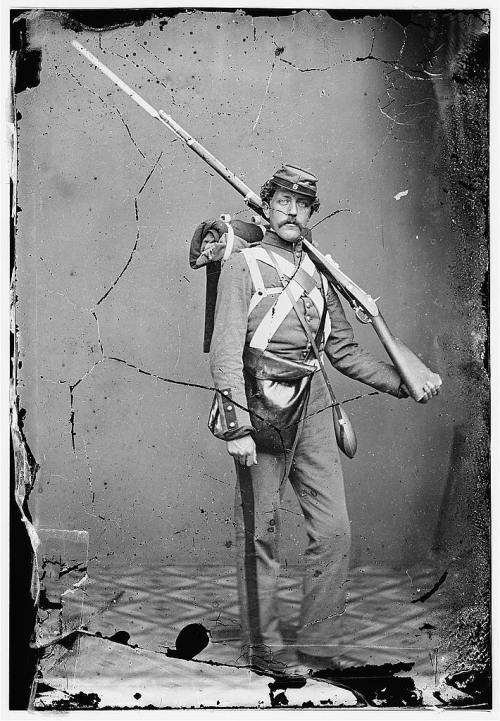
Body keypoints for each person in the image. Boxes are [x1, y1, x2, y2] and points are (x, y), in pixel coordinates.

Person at [205, 164, 441, 676]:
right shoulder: (242, 267)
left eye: (302, 204)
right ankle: (265, 649)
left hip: (309, 407)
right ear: (266, 207)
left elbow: (345, 352)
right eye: (283, 201)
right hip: (256, 403)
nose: (292, 210)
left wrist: (405, 382)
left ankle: (318, 644)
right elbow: (225, 351)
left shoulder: (318, 272)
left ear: (312, 213)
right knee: (262, 534)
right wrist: (236, 427)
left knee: (334, 531)